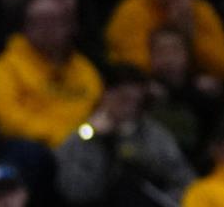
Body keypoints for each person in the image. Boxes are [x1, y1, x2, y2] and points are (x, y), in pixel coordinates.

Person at [0, 0, 104, 188]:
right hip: (30, 147)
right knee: (29, 154)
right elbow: (5, 119)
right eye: (39, 21)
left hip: (80, 147)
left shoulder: (85, 70)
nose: (47, 28)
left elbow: (99, 109)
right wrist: (59, 137)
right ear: (26, 27)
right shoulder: (6, 67)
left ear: (68, 26)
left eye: (54, 21)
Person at [55, 63, 195, 207]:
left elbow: (186, 182)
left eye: (136, 101)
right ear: (105, 95)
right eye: (123, 99)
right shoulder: (84, 134)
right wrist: (97, 140)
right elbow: (75, 192)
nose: (130, 108)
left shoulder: (153, 135)